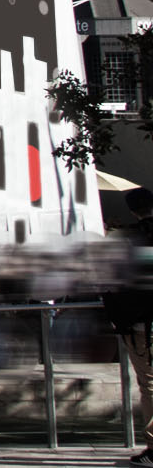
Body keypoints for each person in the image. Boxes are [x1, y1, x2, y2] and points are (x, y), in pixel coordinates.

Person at [104, 186, 153, 464]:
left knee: (149, 385)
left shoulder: (127, 241)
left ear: (132, 210)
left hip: (141, 326)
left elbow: (114, 284)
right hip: (142, 323)